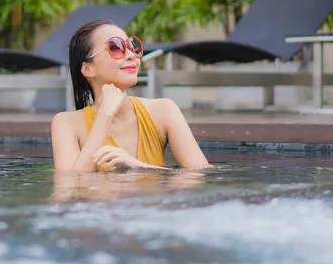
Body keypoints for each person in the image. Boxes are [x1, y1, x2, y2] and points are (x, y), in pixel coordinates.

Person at [51, 19, 212, 172]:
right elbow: (70, 187)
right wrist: (105, 115)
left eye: (132, 46)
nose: (131, 55)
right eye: (115, 47)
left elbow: (202, 175)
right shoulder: (66, 124)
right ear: (87, 69)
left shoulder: (164, 111)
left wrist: (139, 167)